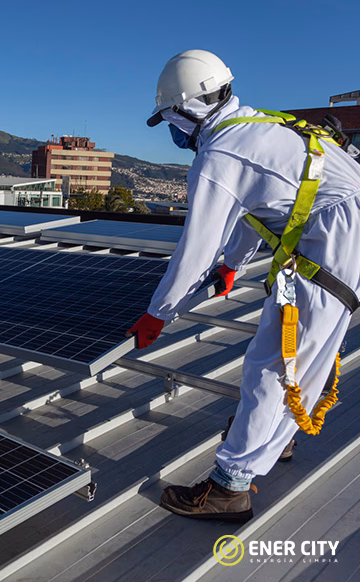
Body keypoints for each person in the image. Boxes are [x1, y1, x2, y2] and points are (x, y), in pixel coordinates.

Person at [127, 49, 360, 522]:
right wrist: (235, 263)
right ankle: (276, 436)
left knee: (270, 363)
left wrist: (159, 312)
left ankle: (229, 487)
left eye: (171, 118)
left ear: (190, 106)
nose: (174, 131)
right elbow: (273, 204)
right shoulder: (258, 127)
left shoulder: (219, 153)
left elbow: (196, 248)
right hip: (339, 233)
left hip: (334, 243)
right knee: (299, 354)